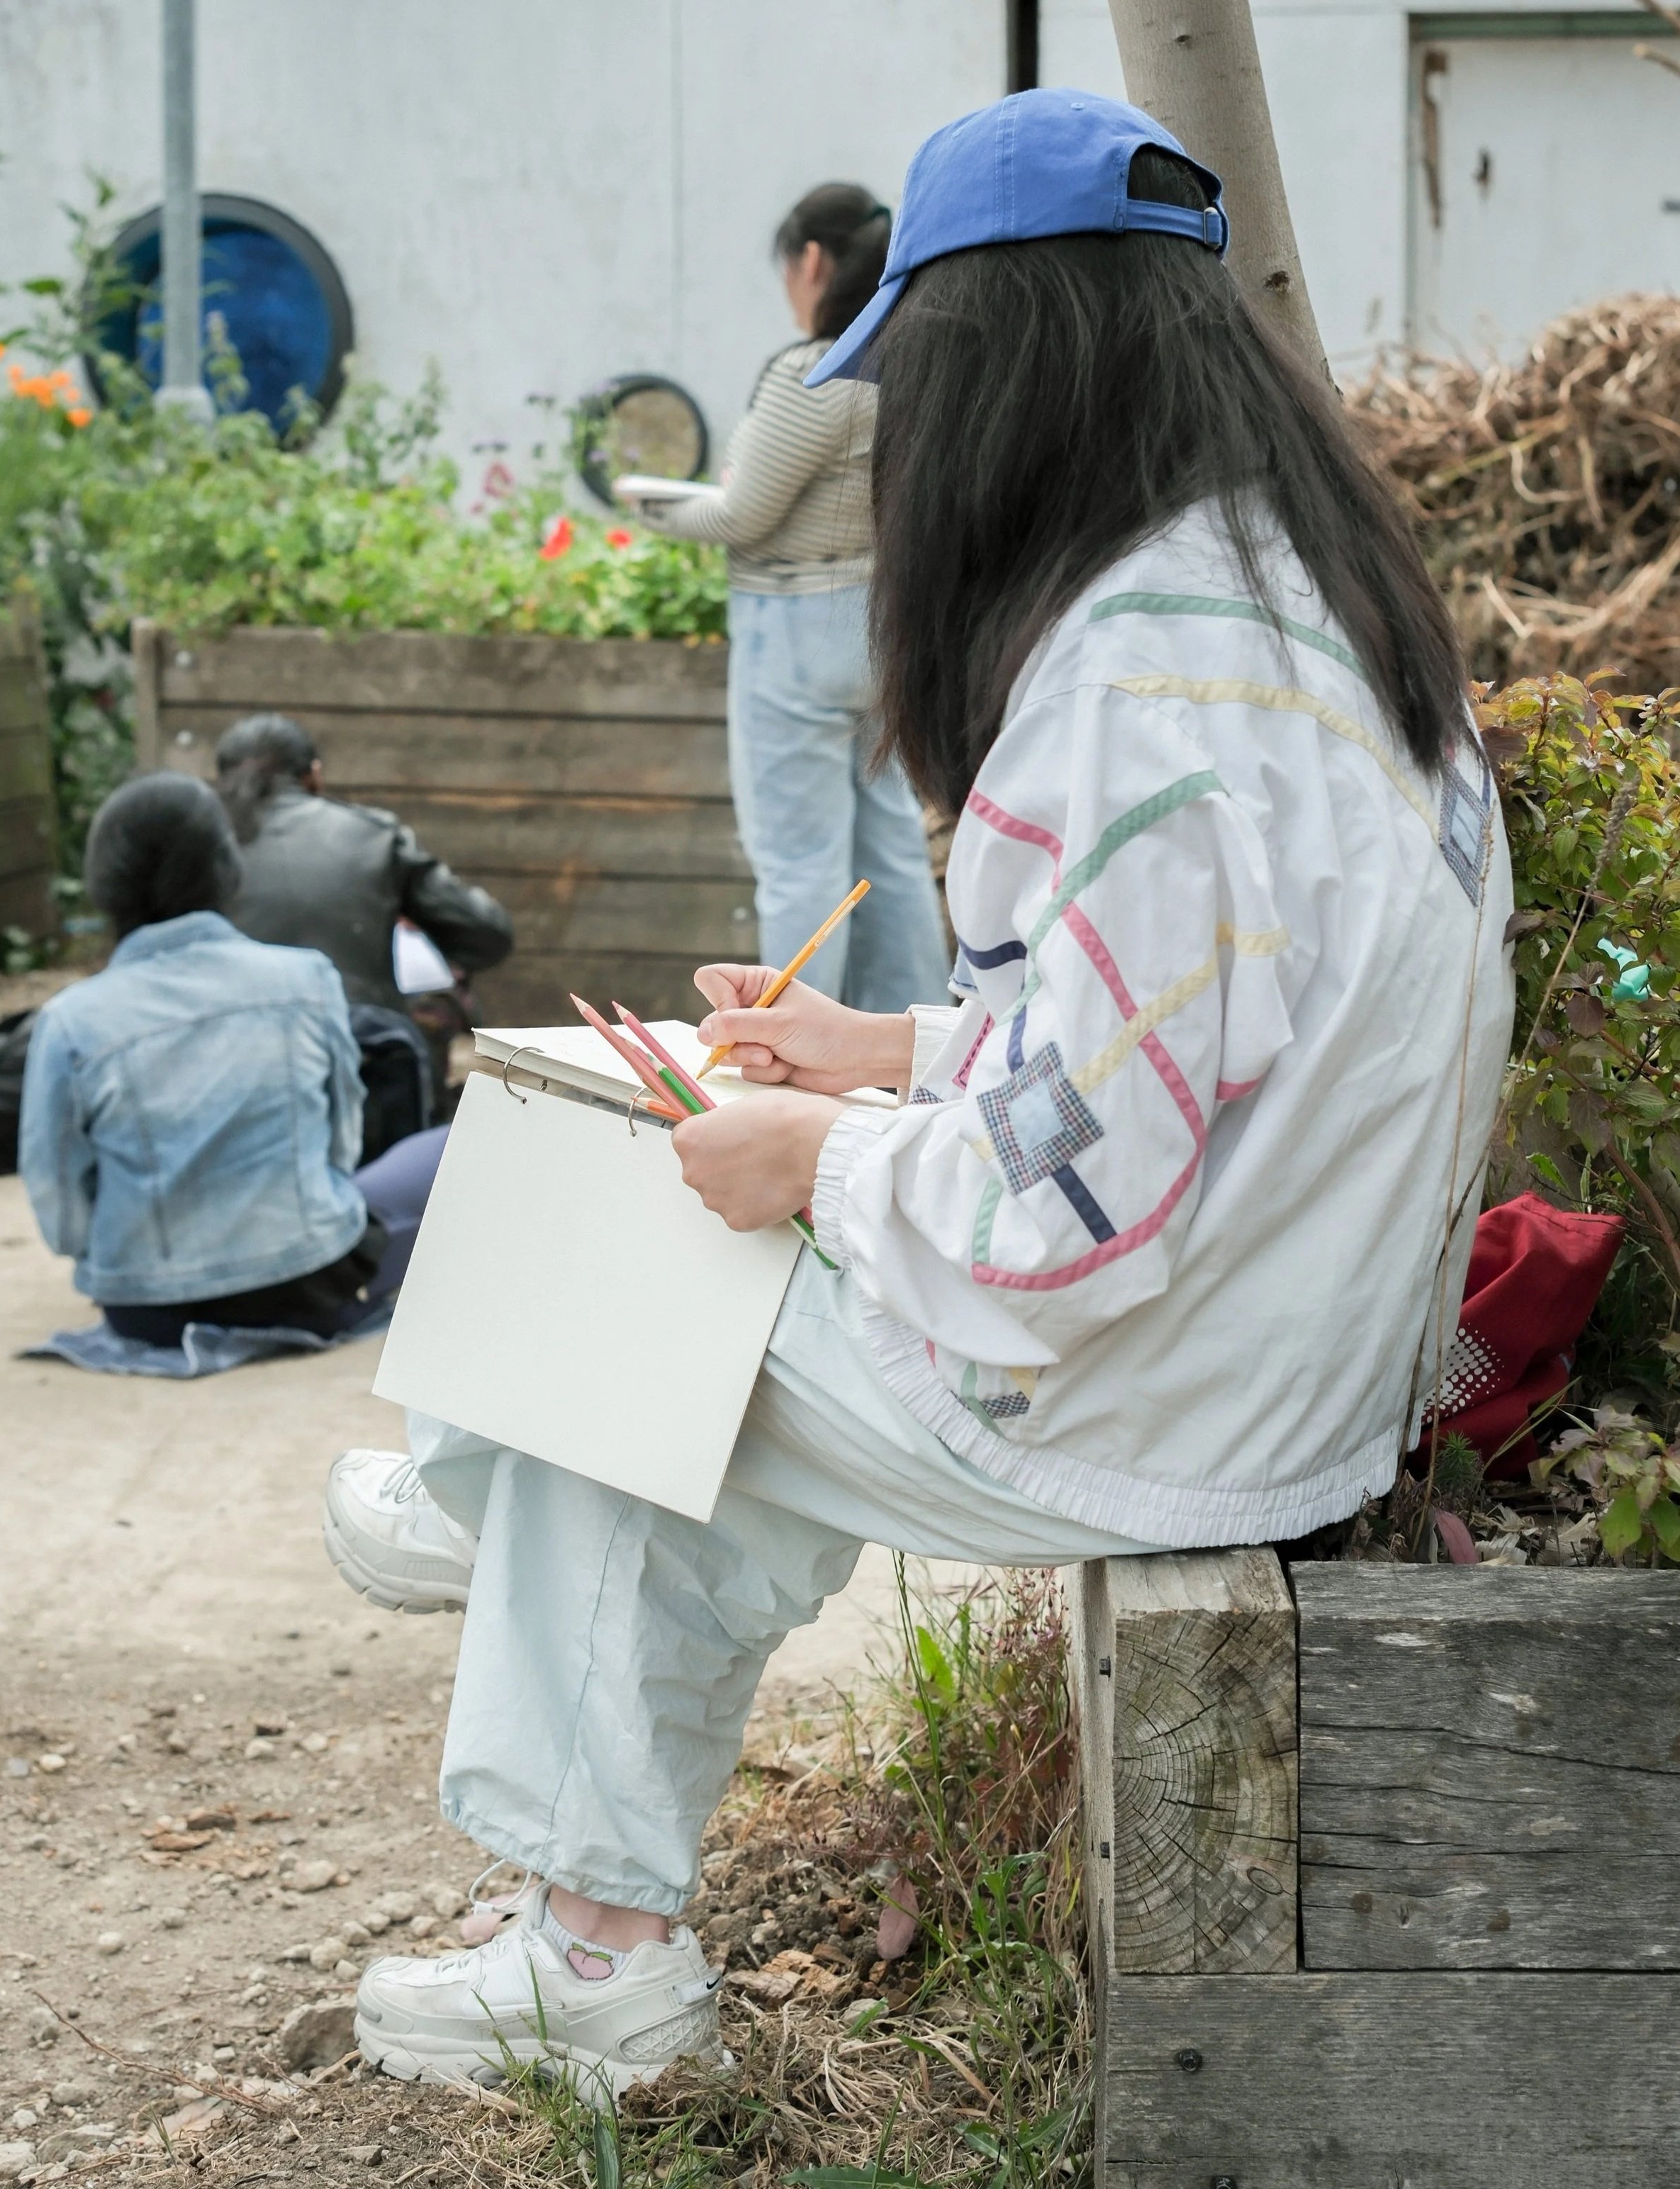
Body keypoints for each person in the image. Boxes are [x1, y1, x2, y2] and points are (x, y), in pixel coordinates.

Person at [325, 91, 1513, 2100]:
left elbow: (1054, 1235)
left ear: (1002, 370)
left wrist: (819, 1151)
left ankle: (587, 1926)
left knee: (628, 1296)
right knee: (670, 1264)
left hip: (1166, 1394)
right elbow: (1203, 1044)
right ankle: (493, 1519)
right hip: (1297, 1348)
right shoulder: (1287, 604)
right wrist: (887, 1056)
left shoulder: (1123, 690)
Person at [622, 185, 950, 1016]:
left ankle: (794, 1044)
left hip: (793, 635)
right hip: (879, 625)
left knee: (799, 859)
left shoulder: (815, 369)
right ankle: (905, 1042)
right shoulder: (911, 361)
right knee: (890, 851)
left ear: (812, 262)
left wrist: (644, 502)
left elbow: (741, 513)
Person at [19, 772, 448, 1347]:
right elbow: (339, 1146)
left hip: (143, 1311)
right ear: (228, 868)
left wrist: (124, 1257)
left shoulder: (70, 1020)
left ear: (102, 885)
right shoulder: (306, 979)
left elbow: (58, 1200)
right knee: (453, 1144)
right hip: (307, 1287)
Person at [215, 713, 514, 1019]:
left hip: (220, 1041)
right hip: (360, 1046)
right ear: (314, 775)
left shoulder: (197, 841)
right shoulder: (374, 835)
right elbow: (487, 935)